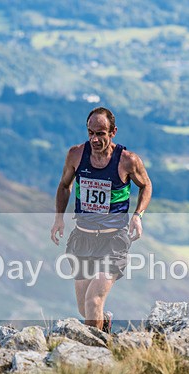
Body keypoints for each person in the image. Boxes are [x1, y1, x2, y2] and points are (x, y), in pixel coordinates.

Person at [50, 107, 152, 332]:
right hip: (82, 239)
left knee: (93, 300)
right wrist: (59, 218)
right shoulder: (76, 155)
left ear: (113, 132)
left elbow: (146, 185)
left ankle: (97, 356)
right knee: (84, 307)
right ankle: (103, 325)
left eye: (101, 133)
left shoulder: (127, 160)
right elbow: (64, 185)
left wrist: (137, 216)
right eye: (90, 133)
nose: (94, 139)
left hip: (113, 241)